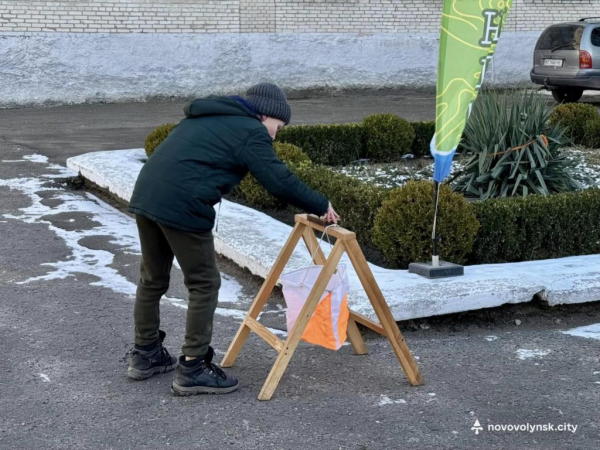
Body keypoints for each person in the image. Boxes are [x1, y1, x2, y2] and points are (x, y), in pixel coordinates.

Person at [126, 82, 340, 395]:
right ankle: (193, 367)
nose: (274, 135)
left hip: (147, 195)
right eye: (277, 127)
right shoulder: (250, 130)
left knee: (152, 278)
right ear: (265, 115)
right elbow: (278, 181)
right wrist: (321, 204)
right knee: (204, 283)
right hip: (184, 204)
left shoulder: (207, 117)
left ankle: (146, 355)